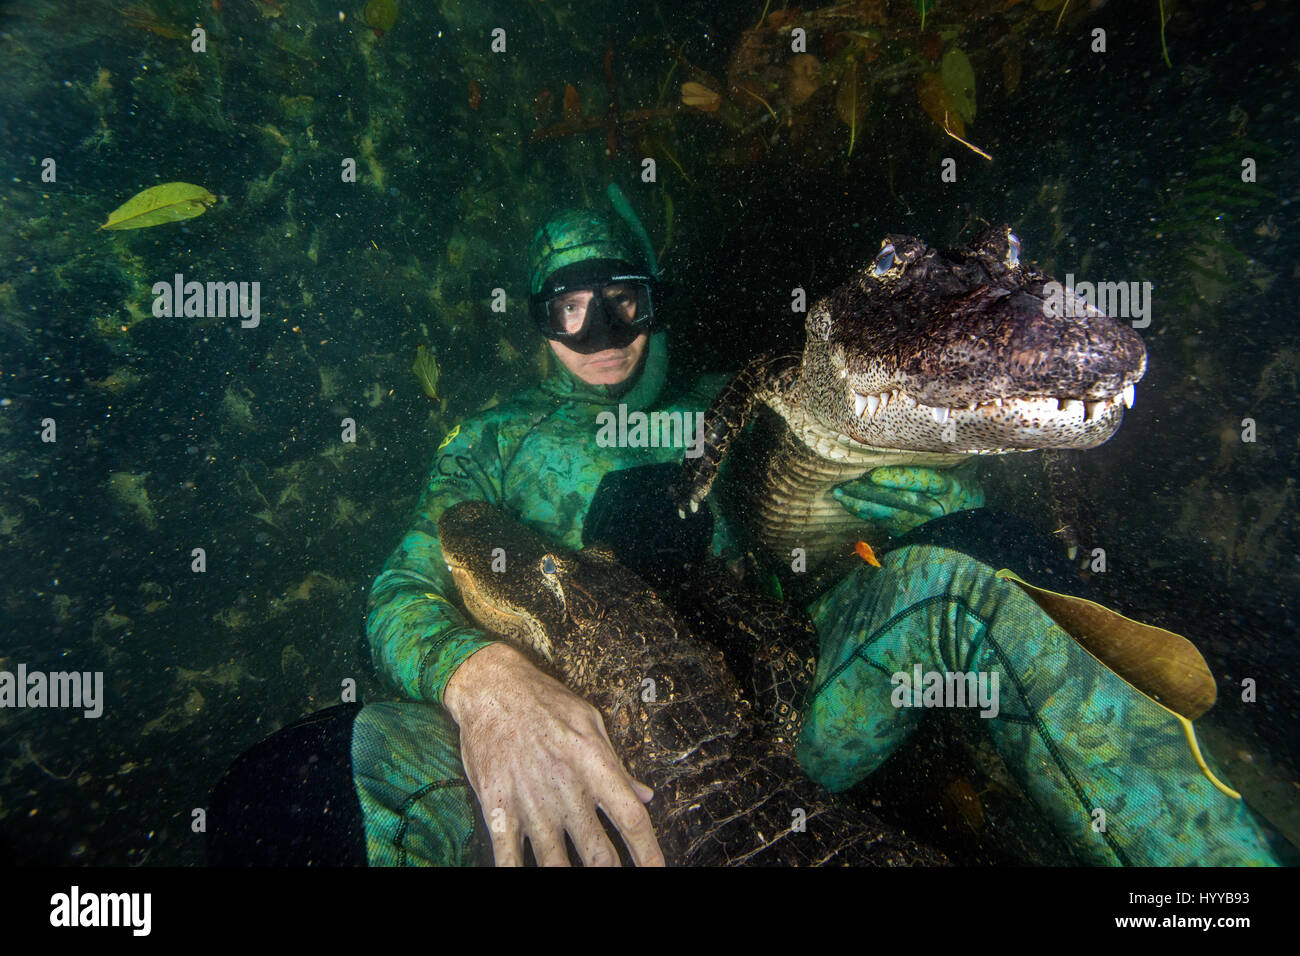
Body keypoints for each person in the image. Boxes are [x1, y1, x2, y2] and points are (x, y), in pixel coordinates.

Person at [208, 199, 1288, 867]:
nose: (599, 332)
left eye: (620, 297)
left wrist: (958, 505)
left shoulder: (751, 399)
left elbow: (896, 515)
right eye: (567, 305)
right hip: (578, 749)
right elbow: (398, 590)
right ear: (538, 319)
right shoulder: (490, 440)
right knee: (306, 782)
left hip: (783, 710)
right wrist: (484, 682)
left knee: (975, 589)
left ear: (656, 298)